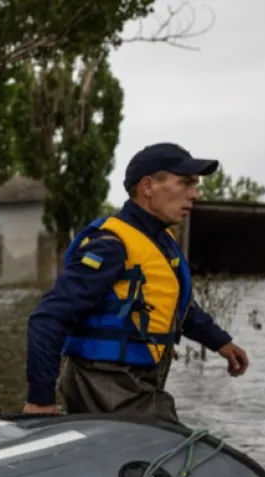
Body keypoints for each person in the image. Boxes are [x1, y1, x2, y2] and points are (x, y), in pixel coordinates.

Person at [24, 143, 249, 423]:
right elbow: (48, 318)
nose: (195, 194)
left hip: (136, 383)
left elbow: (174, 305)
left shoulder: (160, 242)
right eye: (186, 183)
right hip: (107, 384)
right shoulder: (110, 246)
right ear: (148, 187)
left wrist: (220, 342)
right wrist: (40, 400)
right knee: (174, 453)